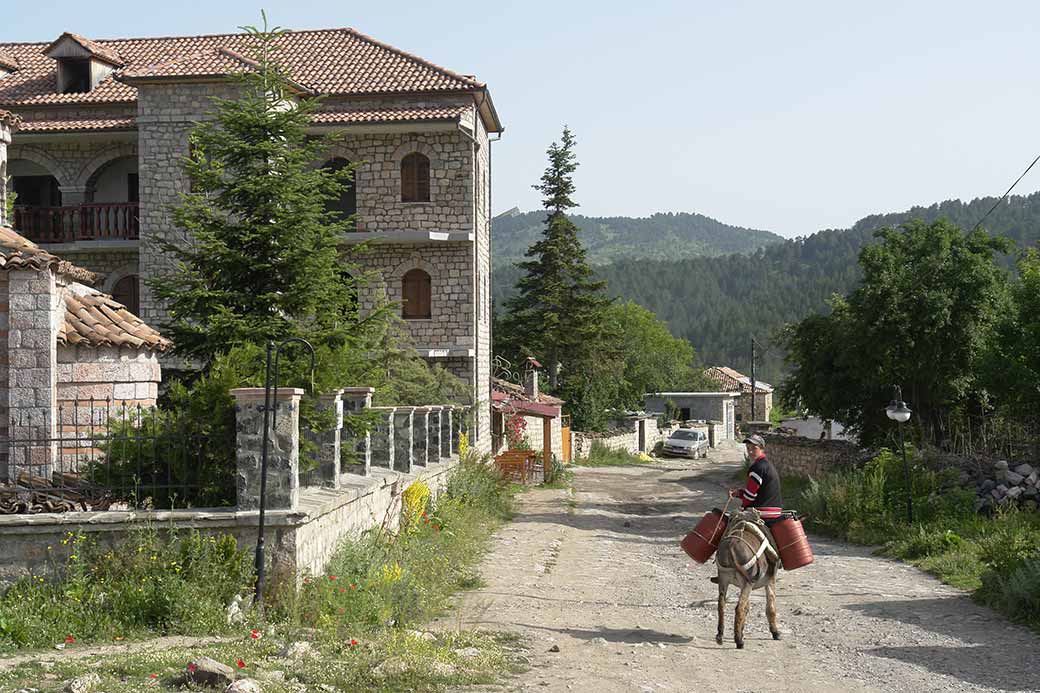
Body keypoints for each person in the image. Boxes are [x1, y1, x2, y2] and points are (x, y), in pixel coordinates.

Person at [730, 434, 783, 525]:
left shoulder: (757, 468)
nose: (750, 451)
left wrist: (742, 508)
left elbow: (750, 496)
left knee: (730, 521)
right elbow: (756, 492)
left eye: (754, 448)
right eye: (748, 448)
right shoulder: (767, 465)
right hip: (775, 511)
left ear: (762, 449)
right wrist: (740, 493)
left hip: (762, 512)